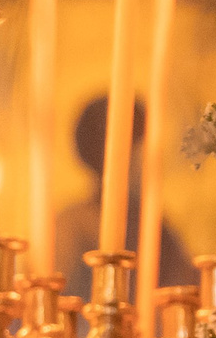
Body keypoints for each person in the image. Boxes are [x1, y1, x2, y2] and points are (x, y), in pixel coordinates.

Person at [52, 95, 198, 303]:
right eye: (141, 151)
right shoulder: (73, 226)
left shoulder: (156, 227)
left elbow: (185, 288)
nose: (151, 162)